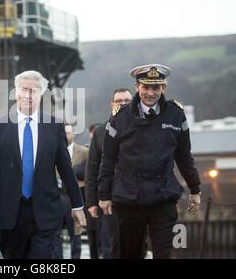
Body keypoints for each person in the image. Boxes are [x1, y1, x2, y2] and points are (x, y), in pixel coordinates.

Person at [98, 64, 202, 259]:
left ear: (164, 88)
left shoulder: (176, 115)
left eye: (156, 88)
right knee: (129, 254)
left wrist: (195, 189)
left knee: (164, 253)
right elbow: (108, 159)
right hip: (129, 199)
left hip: (162, 197)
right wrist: (104, 195)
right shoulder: (120, 118)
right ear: (137, 86)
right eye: (146, 87)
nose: (150, 93)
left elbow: (184, 156)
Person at [0, 70, 86, 259]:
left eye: (34, 90)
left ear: (41, 94)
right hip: (10, 212)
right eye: (24, 89)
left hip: (45, 212)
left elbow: (66, 169)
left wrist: (77, 205)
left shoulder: (54, 126)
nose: (28, 95)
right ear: (16, 92)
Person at [85, 88, 133, 259]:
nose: (123, 104)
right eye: (119, 101)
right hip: (109, 198)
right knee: (111, 243)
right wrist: (91, 202)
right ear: (112, 104)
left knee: (136, 242)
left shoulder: (142, 127)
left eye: (127, 100)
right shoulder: (99, 133)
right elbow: (92, 168)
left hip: (137, 197)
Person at [54, 124, 89, 259]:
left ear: (73, 134)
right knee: (55, 235)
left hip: (75, 199)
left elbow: (90, 172)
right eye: (64, 133)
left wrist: (84, 183)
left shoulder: (84, 152)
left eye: (68, 133)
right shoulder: (52, 150)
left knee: (76, 234)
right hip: (57, 199)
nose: (66, 136)